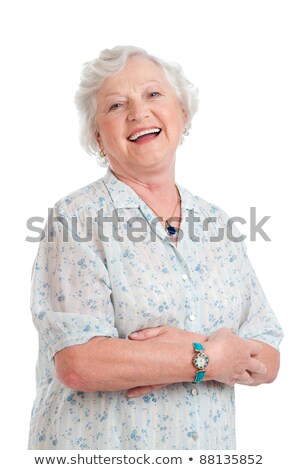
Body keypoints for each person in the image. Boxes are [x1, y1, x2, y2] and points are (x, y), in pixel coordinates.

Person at [28, 45, 283, 450]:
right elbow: (78, 363)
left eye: (153, 94)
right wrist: (208, 359)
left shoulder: (218, 225)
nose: (138, 113)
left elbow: (266, 354)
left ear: (182, 113)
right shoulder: (76, 220)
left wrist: (163, 357)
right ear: (98, 136)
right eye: (116, 105)